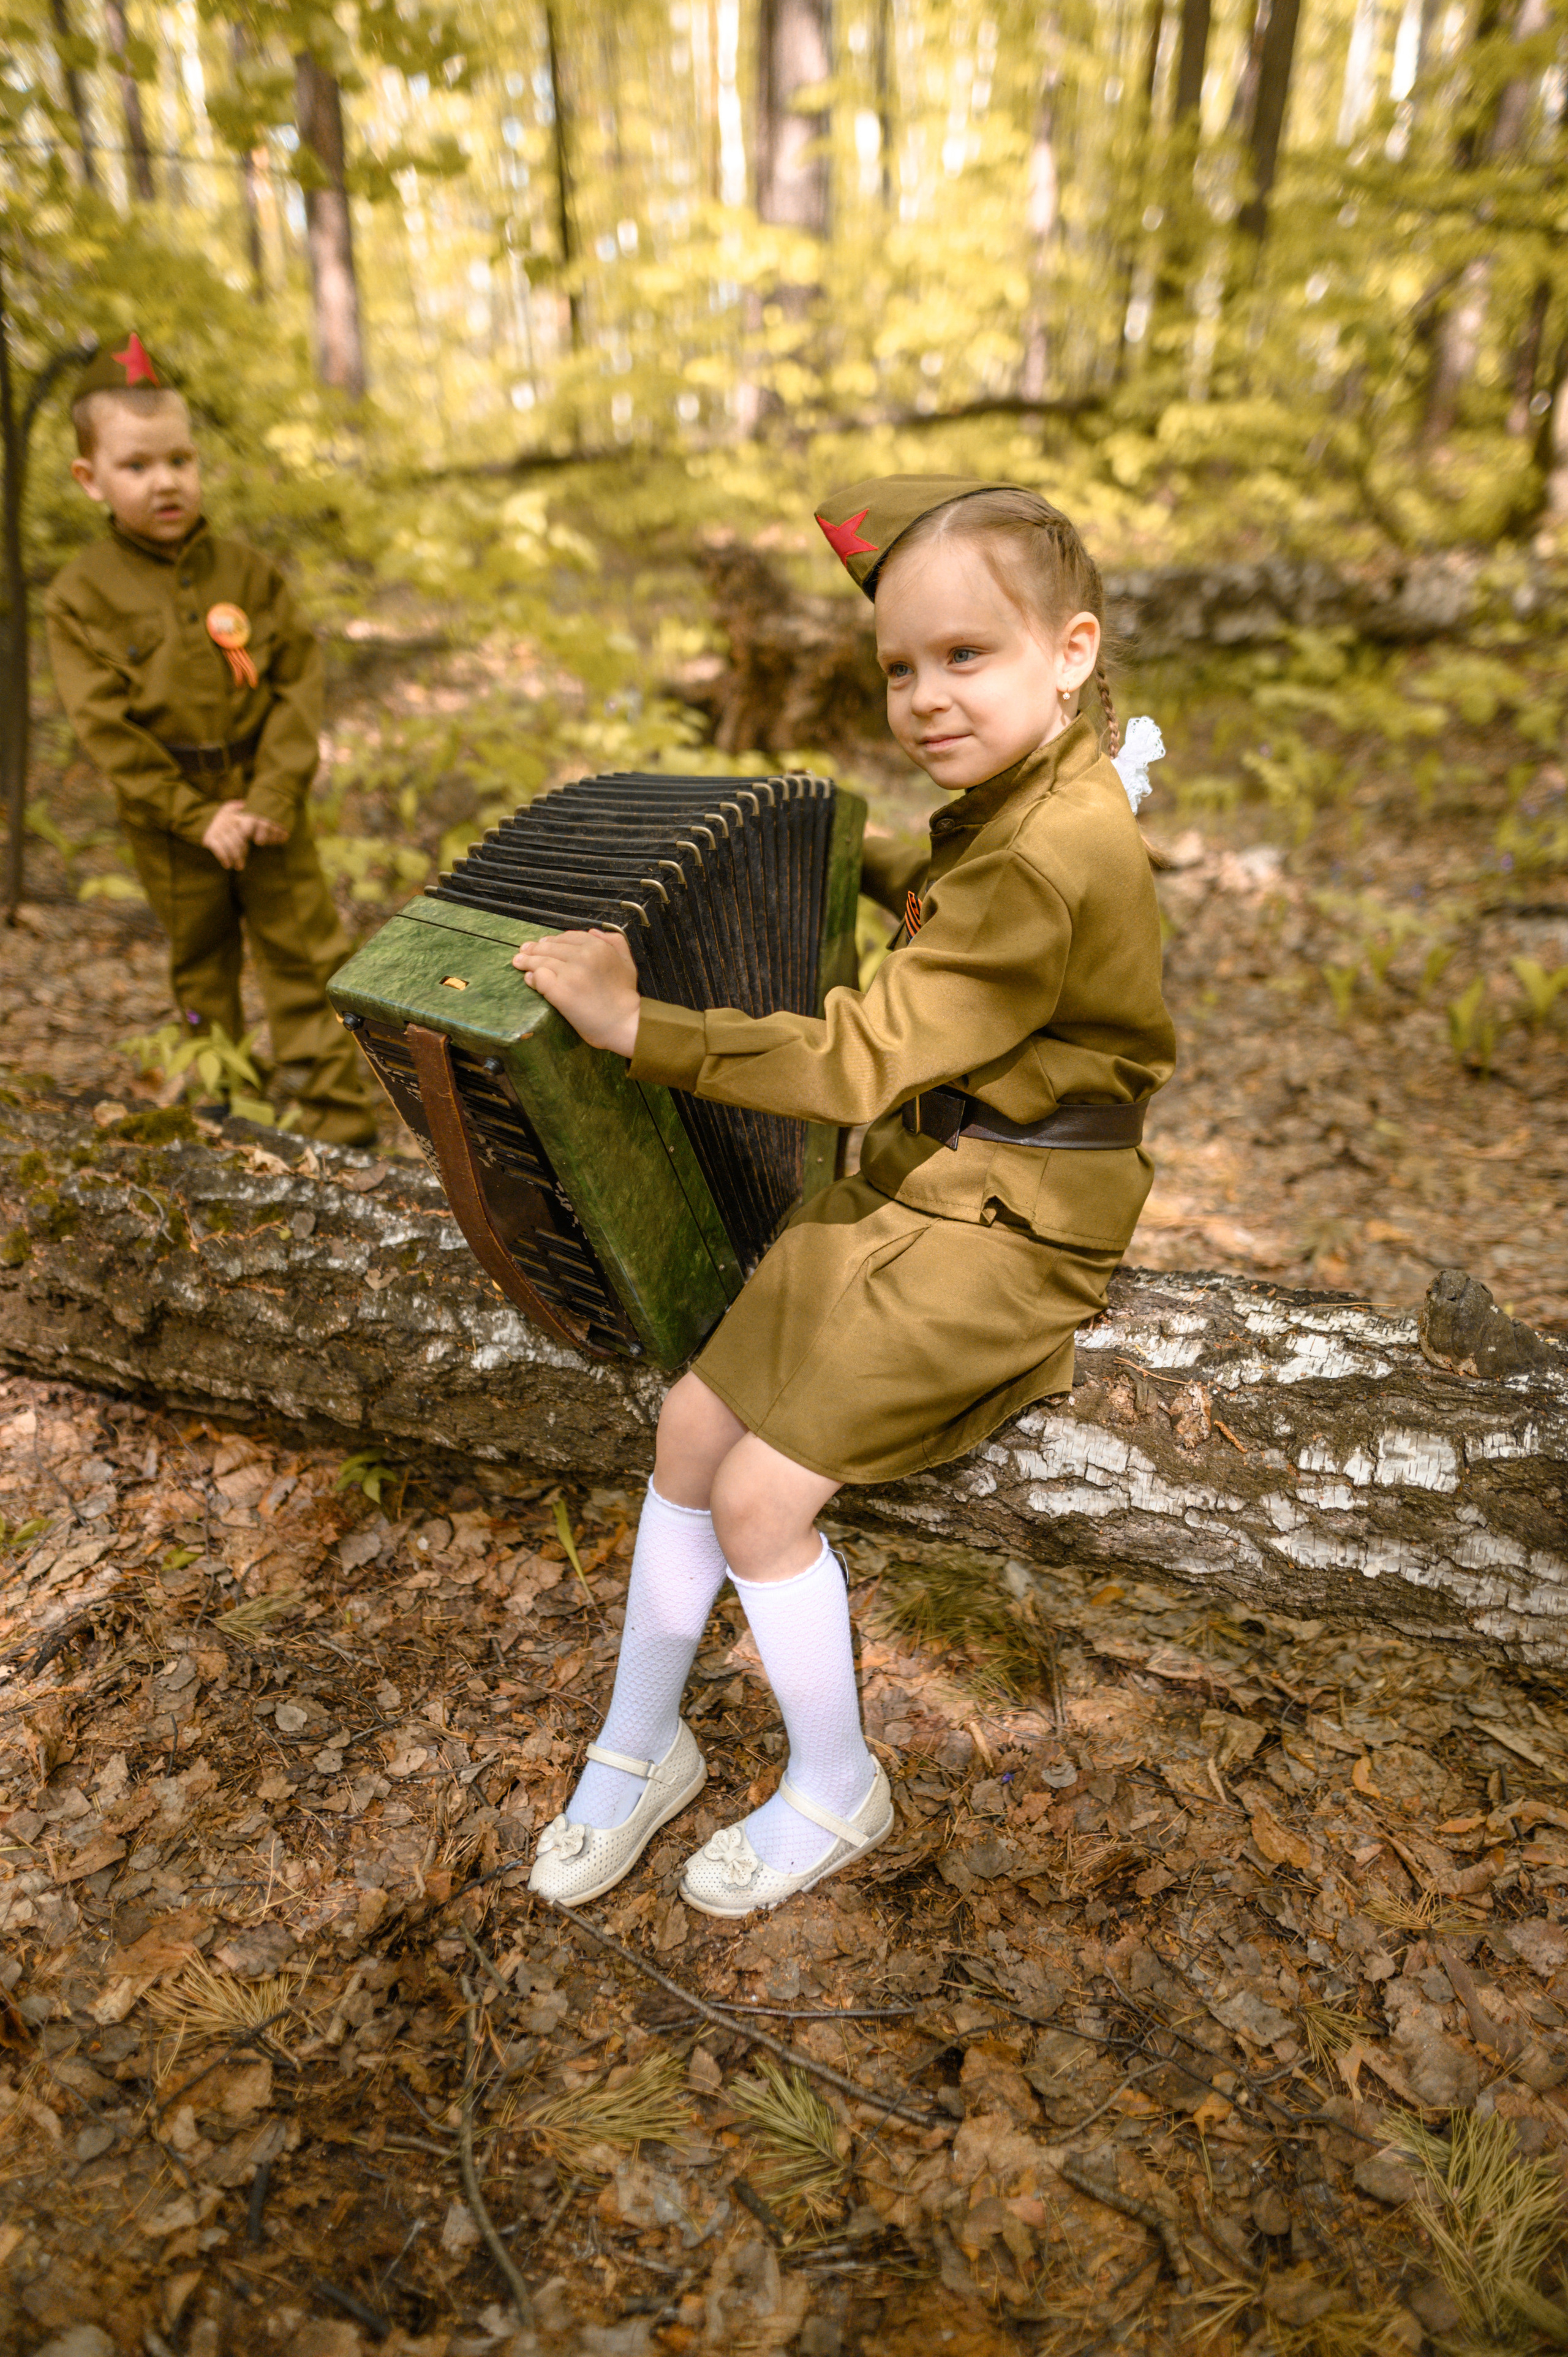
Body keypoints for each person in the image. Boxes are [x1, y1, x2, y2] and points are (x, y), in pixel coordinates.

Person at [518, 475, 1177, 1920]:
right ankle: (644, 1740)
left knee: (757, 1499)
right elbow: (961, 912)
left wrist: (649, 1031)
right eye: (896, 667)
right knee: (689, 1420)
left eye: (964, 656)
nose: (923, 697)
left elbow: (868, 1051)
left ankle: (834, 1780)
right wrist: (855, 856)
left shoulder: (1057, 848)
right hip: (934, 1177)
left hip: (1013, 1218)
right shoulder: (1021, 794)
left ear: (1068, 649)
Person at [43, 333, 378, 1146]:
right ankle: (229, 1110)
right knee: (202, 966)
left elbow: (299, 681)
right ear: (90, 479)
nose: (166, 481)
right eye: (137, 466)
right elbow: (106, 731)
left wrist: (268, 797)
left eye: (181, 460)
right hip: (173, 827)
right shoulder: (80, 595)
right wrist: (196, 816)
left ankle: (337, 1125)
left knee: (304, 956)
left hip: (270, 809)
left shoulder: (249, 574)